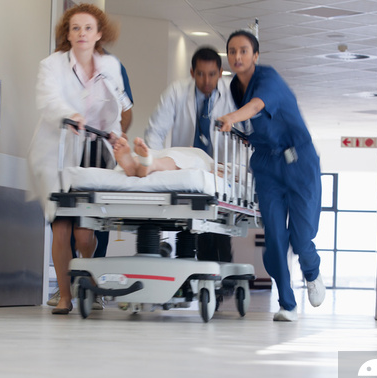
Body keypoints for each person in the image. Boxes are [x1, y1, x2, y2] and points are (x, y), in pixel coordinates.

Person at [28, 3, 132, 315]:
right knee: (61, 228)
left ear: (99, 33)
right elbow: (48, 100)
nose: (81, 33)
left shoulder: (110, 65)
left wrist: (115, 133)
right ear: (67, 34)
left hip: (94, 151)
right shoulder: (52, 65)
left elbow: (118, 105)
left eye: (88, 28)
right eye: (75, 28)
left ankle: (86, 279)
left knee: (85, 232)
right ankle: (64, 296)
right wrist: (70, 115)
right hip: (58, 151)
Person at [217, 30, 326, 322]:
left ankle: (312, 271)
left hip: (299, 161)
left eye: (243, 51)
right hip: (267, 165)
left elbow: (256, 107)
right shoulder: (234, 88)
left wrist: (231, 117)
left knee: (301, 238)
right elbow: (253, 127)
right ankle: (287, 304)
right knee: (275, 238)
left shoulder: (269, 79)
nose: (237, 57)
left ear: (255, 55)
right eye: (232, 51)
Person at [144, 47, 236, 263]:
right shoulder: (177, 91)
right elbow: (155, 131)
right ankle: (195, 276)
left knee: (216, 228)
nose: (206, 80)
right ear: (192, 72)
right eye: (201, 74)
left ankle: (221, 277)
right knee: (190, 227)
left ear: (220, 73)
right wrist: (152, 165)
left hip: (218, 168)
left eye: (212, 74)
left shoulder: (231, 93)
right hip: (186, 165)